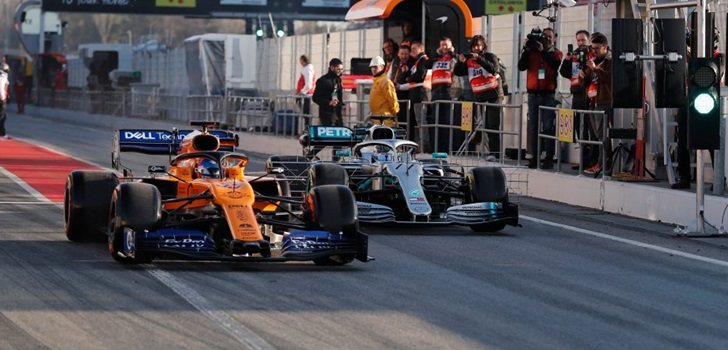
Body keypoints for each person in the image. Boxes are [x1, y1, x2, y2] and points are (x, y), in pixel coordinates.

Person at [518, 27, 563, 169]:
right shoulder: (531, 52)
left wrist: (543, 50)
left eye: (550, 36)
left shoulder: (556, 53)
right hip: (532, 95)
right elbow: (521, 66)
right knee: (533, 127)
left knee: (548, 127)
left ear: (554, 37)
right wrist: (525, 49)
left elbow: (555, 65)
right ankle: (534, 157)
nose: (547, 38)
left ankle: (549, 157)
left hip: (548, 95)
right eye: (545, 36)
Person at [455, 35, 503, 160]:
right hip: (480, 95)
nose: (476, 48)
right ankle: (485, 150)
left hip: (493, 94)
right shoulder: (469, 61)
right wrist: (461, 62)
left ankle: (495, 153)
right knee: (483, 124)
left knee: (493, 124)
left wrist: (479, 59)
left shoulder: (490, 56)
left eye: (478, 45)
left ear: (483, 46)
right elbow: (458, 72)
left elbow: (494, 69)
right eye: (474, 46)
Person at [559, 30, 595, 170]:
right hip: (577, 94)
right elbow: (564, 72)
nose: (580, 43)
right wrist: (567, 60)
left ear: (588, 40)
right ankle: (584, 161)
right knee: (580, 128)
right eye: (578, 40)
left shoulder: (592, 53)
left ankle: (593, 161)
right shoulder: (573, 55)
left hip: (590, 94)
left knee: (591, 128)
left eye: (583, 40)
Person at [583, 32, 613, 175]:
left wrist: (595, 68)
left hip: (605, 101)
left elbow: (609, 79)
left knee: (603, 136)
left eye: (596, 48)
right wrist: (584, 75)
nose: (593, 51)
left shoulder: (610, 60)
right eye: (592, 48)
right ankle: (599, 163)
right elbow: (587, 80)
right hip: (593, 101)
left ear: (605, 47)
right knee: (596, 136)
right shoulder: (596, 60)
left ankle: (603, 165)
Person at [429, 37, 458, 152]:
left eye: (446, 45)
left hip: (448, 92)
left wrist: (453, 54)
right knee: (435, 121)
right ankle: (436, 148)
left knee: (447, 122)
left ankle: (446, 150)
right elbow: (427, 64)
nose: (444, 47)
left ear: (451, 46)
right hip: (435, 92)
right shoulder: (436, 58)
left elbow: (458, 68)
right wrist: (436, 55)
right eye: (442, 45)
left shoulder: (453, 58)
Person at [403, 41, 429, 145]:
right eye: (411, 48)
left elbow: (419, 75)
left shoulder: (423, 59)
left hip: (420, 95)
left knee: (421, 121)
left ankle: (424, 145)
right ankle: (419, 143)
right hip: (415, 95)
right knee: (417, 121)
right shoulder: (417, 61)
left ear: (421, 49)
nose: (411, 51)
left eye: (414, 48)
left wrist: (409, 78)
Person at [368, 56, 399, 126]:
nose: (373, 69)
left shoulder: (386, 82)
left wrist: (394, 113)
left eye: (376, 67)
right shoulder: (376, 82)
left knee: (385, 137)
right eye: (372, 67)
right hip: (377, 119)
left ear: (382, 67)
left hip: (385, 120)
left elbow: (392, 100)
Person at [312, 58, 344, 126]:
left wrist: (340, 103)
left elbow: (338, 94)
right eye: (338, 69)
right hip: (326, 115)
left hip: (338, 115)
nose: (340, 71)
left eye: (341, 69)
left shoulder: (338, 80)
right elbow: (315, 98)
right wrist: (328, 102)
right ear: (332, 68)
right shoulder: (323, 81)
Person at [391, 45, 412, 130]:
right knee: (395, 120)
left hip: (405, 96)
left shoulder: (411, 64)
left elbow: (412, 83)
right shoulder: (395, 62)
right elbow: (390, 75)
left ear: (409, 54)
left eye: (406, 54)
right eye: (402, 54)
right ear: (398, 54)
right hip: (394, 95)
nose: (404, 56)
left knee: (404, 120)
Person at [0, 63, 9, 140]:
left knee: (3, 116)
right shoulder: (3, 76)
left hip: (2, 98)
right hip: (1, 99)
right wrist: (2, 97)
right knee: (2, 116)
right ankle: (2, 133)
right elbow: (1, 87)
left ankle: (3, 133)